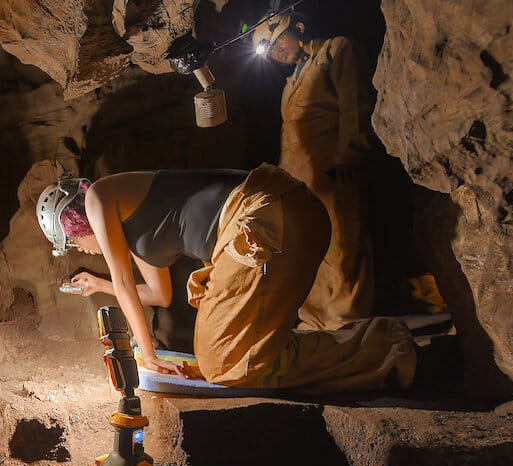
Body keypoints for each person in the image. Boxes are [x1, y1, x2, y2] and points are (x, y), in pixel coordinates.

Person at [37, 165, 416, 393]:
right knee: (229, 351)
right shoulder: (134, 233)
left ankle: (383, 349)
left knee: (222, 360)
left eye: (71, 244)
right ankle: (380, 345)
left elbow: (123, 283)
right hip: (276, 220)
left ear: (73, 225)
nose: (80, 251)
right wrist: (98, 285)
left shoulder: (99, 195)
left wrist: (147, 355)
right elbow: (158, 294)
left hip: (263, 215)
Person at [252, 13, 376, 330]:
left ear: (300, 28)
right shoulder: (290, 82)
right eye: (272, 48)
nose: (277, 51)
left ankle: (346, 321)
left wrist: (350, 153)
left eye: (279, 40)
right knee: (308, 250)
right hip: (299, 181)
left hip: (331, 170)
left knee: (342, 245)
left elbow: (354, 104)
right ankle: (312, 320)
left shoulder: (337, 50)